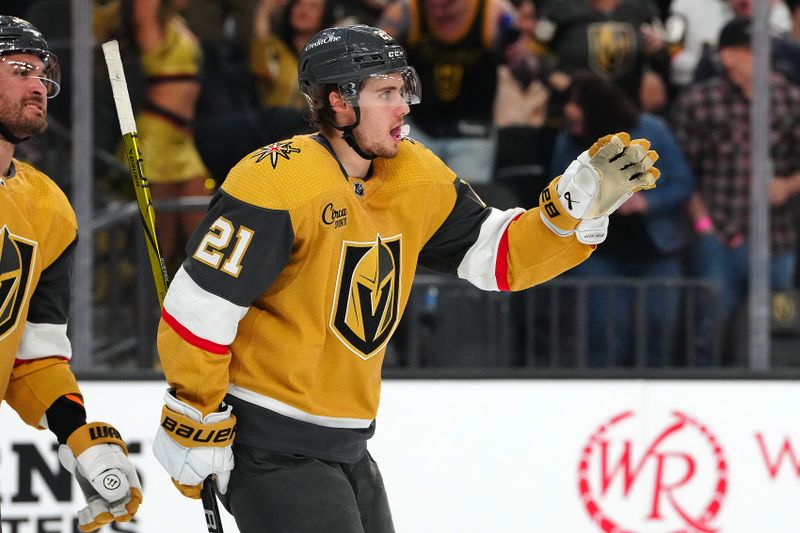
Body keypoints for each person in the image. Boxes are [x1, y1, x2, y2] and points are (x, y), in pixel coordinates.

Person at [151, 24, 660, 532]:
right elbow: (201, 307)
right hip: (271, 442)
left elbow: (498, 258)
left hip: (349, 444)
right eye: (386, 93)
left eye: (403, 88)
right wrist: (194, 416)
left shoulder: (413, 173)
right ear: (340, 103)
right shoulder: (276, 180)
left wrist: (570, 215)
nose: (404, 107)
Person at [0, 15, 141, 530]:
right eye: (20, 68)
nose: (39, 85)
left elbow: (31, 355)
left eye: (44, 73)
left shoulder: (47, 206)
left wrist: (77, 434)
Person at [672, 17, 800, 361]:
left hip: (777, 238)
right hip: (720, 236)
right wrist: (703, 225)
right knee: (709, 331)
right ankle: (703, 402)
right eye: (752, 50)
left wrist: (788, 185)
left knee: (776, 333)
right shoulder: (701, 102)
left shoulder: (790, 99)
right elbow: (680, 171)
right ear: (729, 56)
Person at [551, 72, 693, 366]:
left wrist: (646, 202)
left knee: (658, 333)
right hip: (600, 254)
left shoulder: (652, 130)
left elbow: (682, 183)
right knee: (604, 336)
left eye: (577, 107)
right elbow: (558, 192)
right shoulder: (571, 140)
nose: (570, 116)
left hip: (655, 250)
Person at [378, 0, 524, 184]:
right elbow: (372, 67)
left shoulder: (495, 13)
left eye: (447, 5)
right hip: (419, 125)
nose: (438, 10)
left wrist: (518, 56)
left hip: (473, 131)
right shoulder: (405, 11)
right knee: (405, 195)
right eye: (431, 5)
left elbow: (527, 73)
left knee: (468, 204)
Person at [122, 0, 211, 270]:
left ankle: (202, 300)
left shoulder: (178, 23)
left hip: (184, 139)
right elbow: (142, 11)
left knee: (206, 232)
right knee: (163, 240)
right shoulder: (152, 27)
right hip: (157, 136)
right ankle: (150, 306)